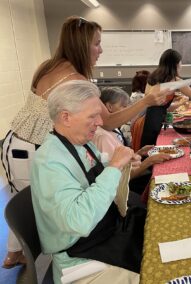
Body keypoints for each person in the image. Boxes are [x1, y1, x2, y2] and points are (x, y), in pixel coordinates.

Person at [1, 16, 170, 267]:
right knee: (46, 209)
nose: (101, 50)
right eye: (97, 44)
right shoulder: (75, 80)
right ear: (82, 45)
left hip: (13, 143)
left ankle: (17, 253)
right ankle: (55, 257)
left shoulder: (47, 67)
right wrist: (145, 102)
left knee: (29, 203)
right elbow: (109, 121)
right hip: (32, 146)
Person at [31, 80, 145, 284]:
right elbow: (79, 221)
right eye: (93, 116)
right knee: (157, 273)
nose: (100, 122)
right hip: (79, 259)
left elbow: (95, 167)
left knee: (153, 232)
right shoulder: (48, 161)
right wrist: (114, 168)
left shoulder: (79, 144)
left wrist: (120, 161)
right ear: (66, 117)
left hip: (103, 233)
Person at [93, 87, 171, 194]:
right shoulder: (103, 137)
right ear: (109, 107)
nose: (128, 111)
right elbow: (118, 178)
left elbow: (123, 161)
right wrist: (148, 162)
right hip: (124, 190)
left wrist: (139, 152)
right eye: (123, 106)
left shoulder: (114, 129)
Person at [133, 49, 191, 149]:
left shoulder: (153, 77)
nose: (181, 65)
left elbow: (156, 103)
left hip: (143, 119)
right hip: (152, 123)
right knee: (151, 152)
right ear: (176, 64)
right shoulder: (174, 80)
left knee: (147, 153)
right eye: (180, 62)